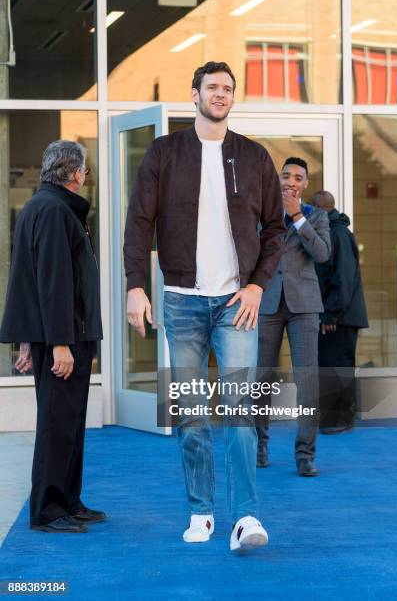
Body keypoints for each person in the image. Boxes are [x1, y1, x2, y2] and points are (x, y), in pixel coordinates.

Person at [124, 61, 284, 552]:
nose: (221, 94)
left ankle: (245, 518)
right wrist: (135, 286)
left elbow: (276, 229)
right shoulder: (164, 152)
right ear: (193, 94)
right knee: (192, 413)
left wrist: (257, 286)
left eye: (228, 89)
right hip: (183, 303)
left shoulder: (254, 157)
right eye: (212, 87)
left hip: (238, 304)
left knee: (238, 413)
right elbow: (138, 222)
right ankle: (201, 512)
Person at [0, 140, 104, 533]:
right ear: (75, 173)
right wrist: (58, 342)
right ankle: (47, 509)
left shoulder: (47, 208)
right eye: (86, 170)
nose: (85, 175)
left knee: (69, 422)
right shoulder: (53, 210)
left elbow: (29, 279)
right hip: (65, 337)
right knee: (56, 424)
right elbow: (52, 282)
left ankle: (67, 501)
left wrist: (29, 339)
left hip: (65, 333)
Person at [256, 157, 331, 475]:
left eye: (297, 177)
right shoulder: (261, 212)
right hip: (267, 303)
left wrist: (298, 217)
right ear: (278, 179)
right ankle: (258, 446)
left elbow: (323, 254)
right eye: (285, 175)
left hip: (304, 306)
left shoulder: (317, 216)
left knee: (307, 381)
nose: (290, 181)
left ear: (305, 184)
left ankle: (305, 454)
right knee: (261, 380)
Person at [311, 190, 368, 434]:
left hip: (339, 317)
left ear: (320, 209)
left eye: (311, 209)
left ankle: (340, 420)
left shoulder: (338, 234)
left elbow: (342, 279)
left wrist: (332, 314)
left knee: (337, 366)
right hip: (337, 314)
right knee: (330, 365)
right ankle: (334, 418)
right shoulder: (333, 232)